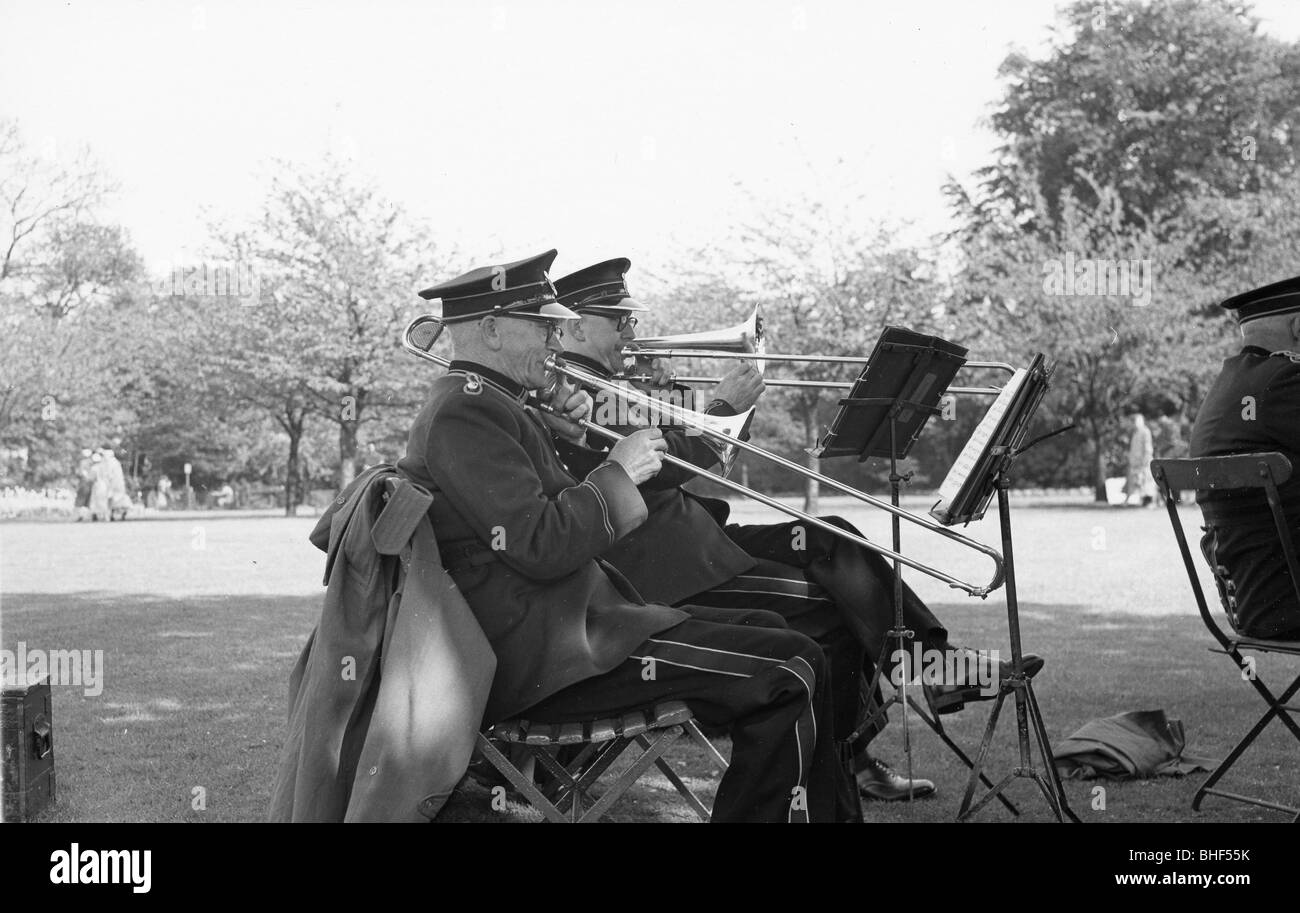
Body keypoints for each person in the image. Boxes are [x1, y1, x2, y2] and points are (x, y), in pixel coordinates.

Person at [550, 257, 1043, 801]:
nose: (634, 330)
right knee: (833, 610)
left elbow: (715, 451)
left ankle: (921, 677)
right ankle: (853, 754)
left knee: (833, 535)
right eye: (619, 321)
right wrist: (715, 407)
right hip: (661, 567)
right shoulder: (575, 392)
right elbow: (673, 461)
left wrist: (716, 407)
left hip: (696, 542)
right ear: (574, 327)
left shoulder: (616, 384)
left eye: (631, 319)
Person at [397, 250, 855, 822]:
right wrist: (618, 469)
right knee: (789, 666)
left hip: (572, 632)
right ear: (490, 330)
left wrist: (554, 432)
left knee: (774, 635)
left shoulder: (495, 404)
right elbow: (541, 545)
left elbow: (543, 519)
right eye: (542, 326)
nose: (556, 338)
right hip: (546, 660)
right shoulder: (465, 413)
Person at [1190, 275, 1300, 641]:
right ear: (1298, 327)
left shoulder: (1226, 388)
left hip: (1253, 603)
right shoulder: (1287, 383)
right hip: (1289, 601)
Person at [1123, 411, 1156, 507]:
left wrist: (1145, 461)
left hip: (1144, 463)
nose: (1134, 424)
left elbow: (1148, 448)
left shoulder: (1145, 431)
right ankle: (1141, 501)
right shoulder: (1135, 433)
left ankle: (1150, 502)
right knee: (1137, 483)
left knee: (1147, 484)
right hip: (1135, 463)